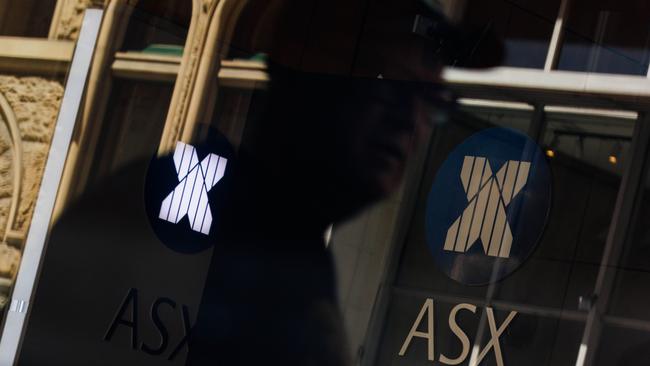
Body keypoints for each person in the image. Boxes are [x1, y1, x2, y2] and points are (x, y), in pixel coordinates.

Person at [187, 0, 503, 365]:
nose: (410, 122)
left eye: (431, 102)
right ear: (303, 73)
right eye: (390, 84)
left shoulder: (297, 257)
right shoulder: (221, 232)